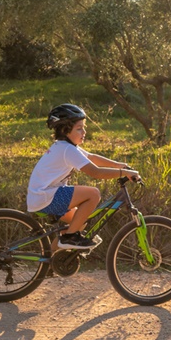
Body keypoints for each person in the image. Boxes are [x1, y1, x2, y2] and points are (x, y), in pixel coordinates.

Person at [27, 103, 139, 251]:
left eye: (83, 127)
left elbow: (91, 157)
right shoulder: (67, 149)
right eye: (79, 129)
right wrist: (125, 173)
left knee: (80, 222)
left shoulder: (65, 147)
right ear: (65, 131)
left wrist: (120, 165)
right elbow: (95, 172)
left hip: (43, 196)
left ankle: (50, 263)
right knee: (93, 194)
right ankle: (69, 237)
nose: (84, 132)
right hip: (45, 196)